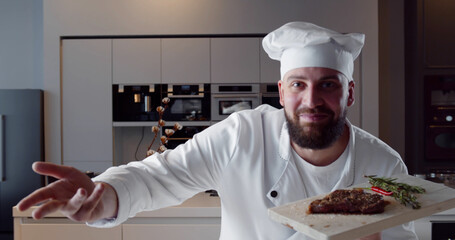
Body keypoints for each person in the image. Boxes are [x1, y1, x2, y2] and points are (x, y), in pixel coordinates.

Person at [17, 22, 417, 240]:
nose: (311, 100)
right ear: (281, 91)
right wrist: (103, 196)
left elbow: (404, 234)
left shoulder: (381, 163)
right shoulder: (243, 135)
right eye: (298, 84)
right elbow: (157, 176)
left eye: (328, 84)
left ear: (349, 91)